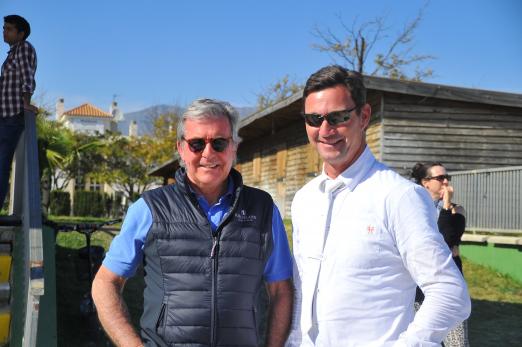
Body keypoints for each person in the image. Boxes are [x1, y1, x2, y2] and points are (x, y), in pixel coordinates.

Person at [286, 65, 471, 346]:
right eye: (314, 118)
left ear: (364, 116)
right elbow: (302, 290)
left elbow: (449, 292)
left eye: (337, 116)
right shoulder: (304, 199)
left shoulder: (398, 196)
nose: (325, 129)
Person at [92, 99, 293, 347]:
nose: (208, 153)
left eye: (219, 143)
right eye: (197, 144)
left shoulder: (263, 210)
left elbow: (281, 289)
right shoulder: (149, 208)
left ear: (234, 147)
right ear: (181, 148)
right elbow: (105, 282)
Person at [411, 162, 469, 347]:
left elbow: (446, 238)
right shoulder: (413, 210)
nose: (445, 181)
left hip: (448, 286)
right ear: (425, 182)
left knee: (457, 343)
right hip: (419, 287)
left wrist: (445, 206)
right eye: (440, 178)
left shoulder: (456, 210)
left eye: (447, 177)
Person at [0, 14, 37, 210]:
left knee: (2, 164)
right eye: (4, 28)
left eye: (9, 29)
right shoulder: (11, 54)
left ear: (20, 34)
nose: (4, 32)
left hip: (12, 116)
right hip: (4, 116)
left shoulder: (24, 49)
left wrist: (26, 102)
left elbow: (27, 78)